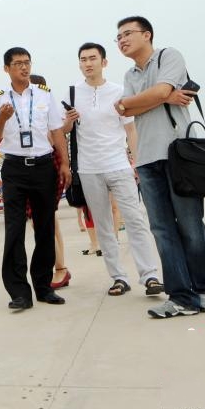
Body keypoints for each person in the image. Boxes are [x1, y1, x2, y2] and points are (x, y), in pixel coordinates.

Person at [113, 16, 205, 318]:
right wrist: (160, 97)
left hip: (179, 154)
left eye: (127, 34)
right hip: (146, 159)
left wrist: (146, 99)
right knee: (162, 230)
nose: (122, 40)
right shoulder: (131, 73)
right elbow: (125, 108)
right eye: (117, 37)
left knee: (190, 226)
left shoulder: (169, 56)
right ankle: (181, 297)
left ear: (147, 34)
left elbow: (137, 102)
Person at [62, 42, 163, 297]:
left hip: (118, 164)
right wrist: (68, 122)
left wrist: (137, 161)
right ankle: (118, 277)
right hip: (88, 168)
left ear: (104, 62)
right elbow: (62, 132)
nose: (88, 63)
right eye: (83, 59)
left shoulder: (120, 91)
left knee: (135, 220)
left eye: (93, 58)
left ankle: (149, 275)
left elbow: (131, 129)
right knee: (104, 225)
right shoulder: (72, 93)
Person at [0, 48, 70, 310]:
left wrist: (65, 163)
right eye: (18, 64)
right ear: (6, 69)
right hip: (14, 168)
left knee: (45, 228)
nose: (24, 68)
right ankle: (19, 292)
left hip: (43, 166)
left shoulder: (44, 95)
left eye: (27, 63)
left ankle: (44, 287)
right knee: (14, 230)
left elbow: (56, 131)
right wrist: (2, 117)